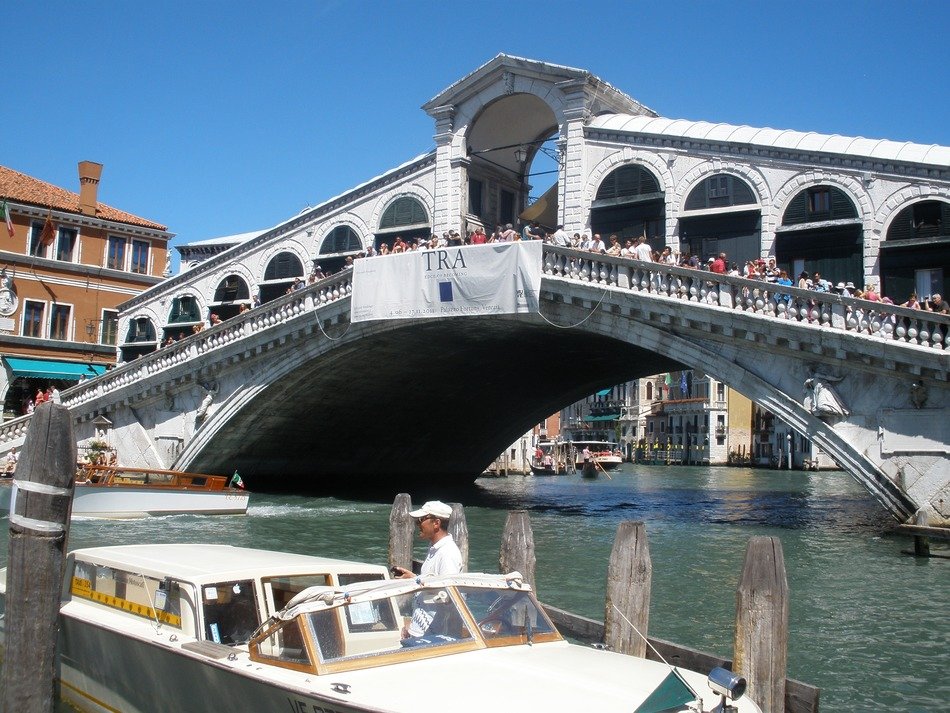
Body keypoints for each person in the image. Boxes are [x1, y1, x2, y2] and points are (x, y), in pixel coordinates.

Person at [393, 501, 463, 641]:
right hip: (422, 631)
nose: (418, 524)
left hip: (435, 636)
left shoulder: (447, 553)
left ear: (436, 523)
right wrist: (414, 578)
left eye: (421, 520)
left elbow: (447, 595)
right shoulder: (435, 549)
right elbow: (433, 583)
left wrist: (417, 581)